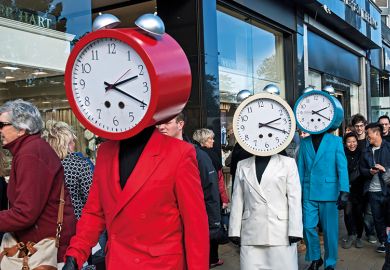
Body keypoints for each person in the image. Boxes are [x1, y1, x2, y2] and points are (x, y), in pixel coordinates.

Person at [62, 125, 209, 269]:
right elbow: (94, 212)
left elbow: (195, 225)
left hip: (161, 265)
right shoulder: (106, 152)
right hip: (117, 262)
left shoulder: (179, 152)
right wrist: (75, 254)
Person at [0, 99, 76, 268]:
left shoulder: (30, 153)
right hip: (42, 247)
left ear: (21, 129)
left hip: (46, 252)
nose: (0, 130)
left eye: (2, 125)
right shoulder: (31, 150)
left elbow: (25, 213)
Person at [157, 113, 226, 267]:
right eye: (159, 123)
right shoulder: (154, 154)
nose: (161, 127)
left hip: (192, 229)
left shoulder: (198, 155)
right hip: (163, 235)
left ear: (180, 124)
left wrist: (213, 226)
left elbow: (210, 190)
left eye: (167, 122)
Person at [229, 153, 303, 269]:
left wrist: (295, 230)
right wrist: (234, 230)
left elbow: (294, 199)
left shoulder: (288, 163)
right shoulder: (242, 165)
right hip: (251, 232)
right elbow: (237, 199)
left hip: (280, 233)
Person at [297, 131, 349, 270]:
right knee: (307, 226)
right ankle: (315, 258)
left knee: (330, 231)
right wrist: (297, 192)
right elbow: (300, 168)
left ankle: (330, 262)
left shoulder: (336, 141)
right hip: (309, 191)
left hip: (330, 191)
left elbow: (342, 167)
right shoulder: (304, 142)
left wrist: (344, 190)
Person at [192, 128, 229, 267]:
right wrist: (224, 199)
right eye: (210, 139)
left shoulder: (193, 154)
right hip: (212, 198)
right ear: (203, 140)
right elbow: (218, 181)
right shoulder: (211, 156)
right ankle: (213, 259)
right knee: (213, 230)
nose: (213, 141)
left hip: (199, 199)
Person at [47, 121, 93, 220]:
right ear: (65, 144)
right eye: (72, 141)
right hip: (76, 222)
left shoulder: (44, 165)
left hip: (51, 223)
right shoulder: (79, 165)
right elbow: (91, 200)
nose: (74, 144)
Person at [360, 123, 390, 253]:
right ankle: (383, 242)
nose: (367, 137)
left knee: (388, 218)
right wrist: (369, 172)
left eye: (368, 134)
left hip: (387, 190)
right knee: (377, 218)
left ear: (376, 133)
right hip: (372, 191)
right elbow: (362, 170)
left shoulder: (388, 147)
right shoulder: (366, 151)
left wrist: (384, 170)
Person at [351, 113, 376, 243]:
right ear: (354, 127)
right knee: (357, 209)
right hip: (355, 180)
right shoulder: (351, 140)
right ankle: (357, 233)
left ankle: (370, 232)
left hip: (368, 178)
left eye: (361, 125)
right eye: (357, 126)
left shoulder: (369, 141)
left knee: (369, 209)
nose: (359, 128)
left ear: (365, 126)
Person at [342, 132, 365, 249]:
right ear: (345, 144)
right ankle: (351, 234)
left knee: (359, 213)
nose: (352, 144)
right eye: (349, 142)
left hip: (359, 188)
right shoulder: (342, 154)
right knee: (347, 212)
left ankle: (359, 237)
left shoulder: (362, 153)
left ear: (357, 141)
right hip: (346, 188)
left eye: (354, 141)